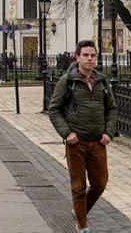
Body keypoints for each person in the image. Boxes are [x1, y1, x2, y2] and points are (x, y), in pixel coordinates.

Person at [47, 40, 116, 233]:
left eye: (93, 55)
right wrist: (67, 133)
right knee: (78, 186)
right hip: (76, 141)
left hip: (98, 141)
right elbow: (54, 109)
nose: (90, 59)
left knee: (100, 183)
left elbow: (111, 109)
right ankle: (82, 226)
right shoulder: (67, 81)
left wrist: (109, 132)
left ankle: (79, 211)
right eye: (85, 55)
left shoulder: (102, 81)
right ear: (77, 57)